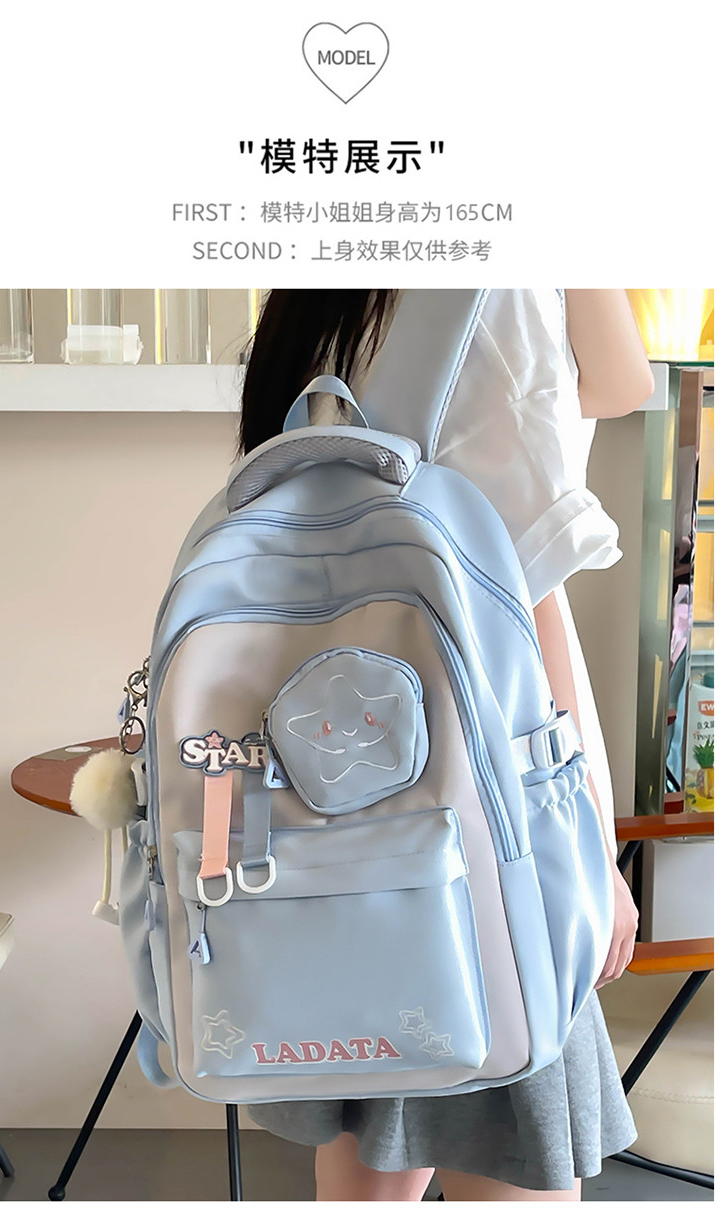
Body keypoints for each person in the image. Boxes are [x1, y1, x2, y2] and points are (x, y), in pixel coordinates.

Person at [236, 288, 655, 1202]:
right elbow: (525, 598)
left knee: (373, 1142)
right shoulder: (494, 298)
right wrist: (590, 842)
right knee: (512, 1147)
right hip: (491, 823)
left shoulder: (322, 292)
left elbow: (620, 382)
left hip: (344, 803)